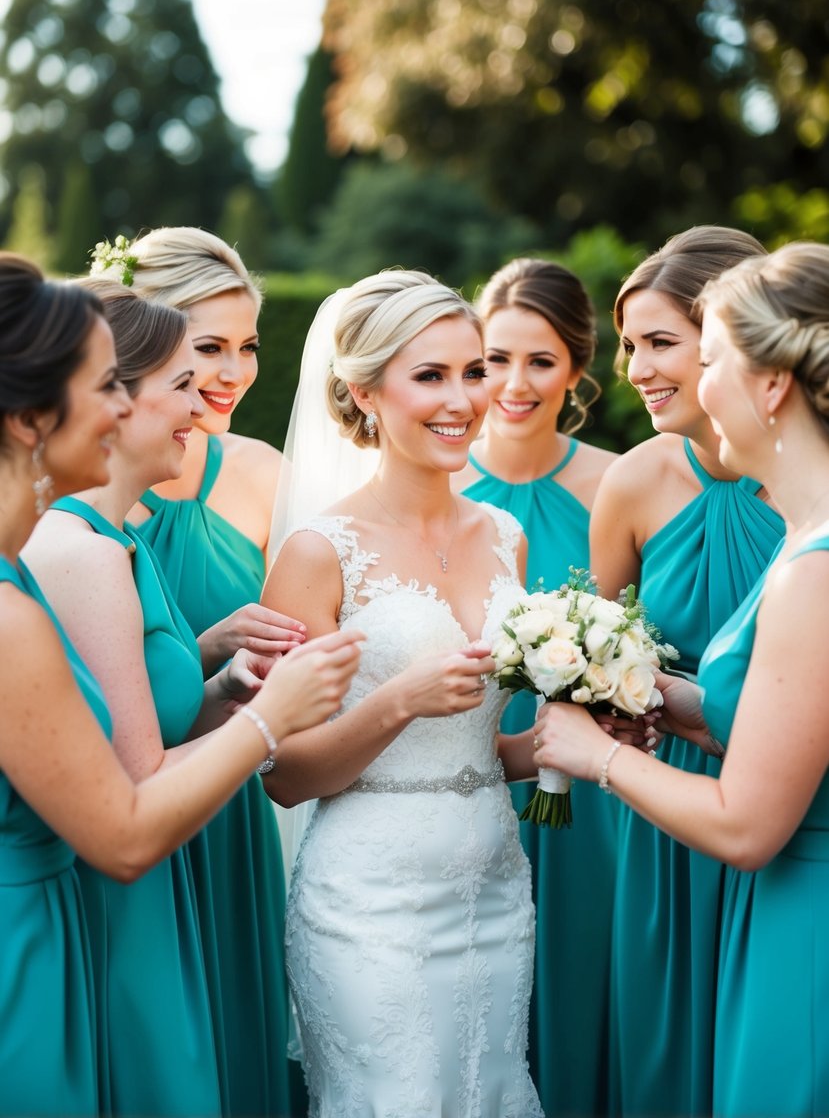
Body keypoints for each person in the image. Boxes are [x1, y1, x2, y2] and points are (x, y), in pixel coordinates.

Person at [0, 254, 361, 1117]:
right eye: (107, 387)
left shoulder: (32, 569)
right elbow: (123, 832)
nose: (131, 408)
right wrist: (271, 717)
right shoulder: (24, 597)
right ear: (28, 418)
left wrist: (231, 686)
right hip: (29, 946)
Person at [533, 240, 829, 1118]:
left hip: (800, 919)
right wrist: (662, 696)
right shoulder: (800, 543)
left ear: (769, 383)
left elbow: (745, 827)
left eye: (708, 361)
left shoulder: (812, 568)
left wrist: (594, 754)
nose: (694, 386)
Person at [261, 270, 543, 1117]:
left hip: (494, 883)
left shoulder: (505, 535)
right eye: (429, 375)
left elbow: (477, 745)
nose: (463, 398)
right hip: (369, 905)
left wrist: (558, 747)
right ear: (362, 392)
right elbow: (283, 773)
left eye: (473, 369)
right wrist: (397, 701)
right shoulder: (319, 553)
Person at [95, 227, 303, 1115]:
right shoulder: (77, 497)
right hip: (120, 800)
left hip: (226, 808)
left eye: (247, 346)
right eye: (205, 349)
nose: (230, 372)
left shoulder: (261, 476)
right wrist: (204, 644)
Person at [587, 226, 785, 1117]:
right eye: (629, 344)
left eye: (659, 342)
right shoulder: (631, 484)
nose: (634, 367)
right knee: (668, 1052)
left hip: (786, 796)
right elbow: (592, 660)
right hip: (665, 807)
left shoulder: (805, 489)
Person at [453, 257, 617, 1115]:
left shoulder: (616, 485)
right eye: (493, 360)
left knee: (581, 964)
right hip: (467, 770)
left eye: (540, 362)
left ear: (577, 370)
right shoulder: (438, 486)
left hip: (593, 794)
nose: (512, 385)